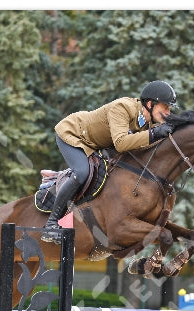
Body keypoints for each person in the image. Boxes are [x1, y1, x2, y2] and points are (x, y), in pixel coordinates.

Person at [41, 80, 177, 243]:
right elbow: (121, 143)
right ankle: (51, 225)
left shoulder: (149, 123)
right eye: (165, 107)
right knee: (82, 173)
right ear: (150, 104)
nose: (168, 112)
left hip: (96, 144)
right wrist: (154, 134)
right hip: (73, 134)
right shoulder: (122, 107)